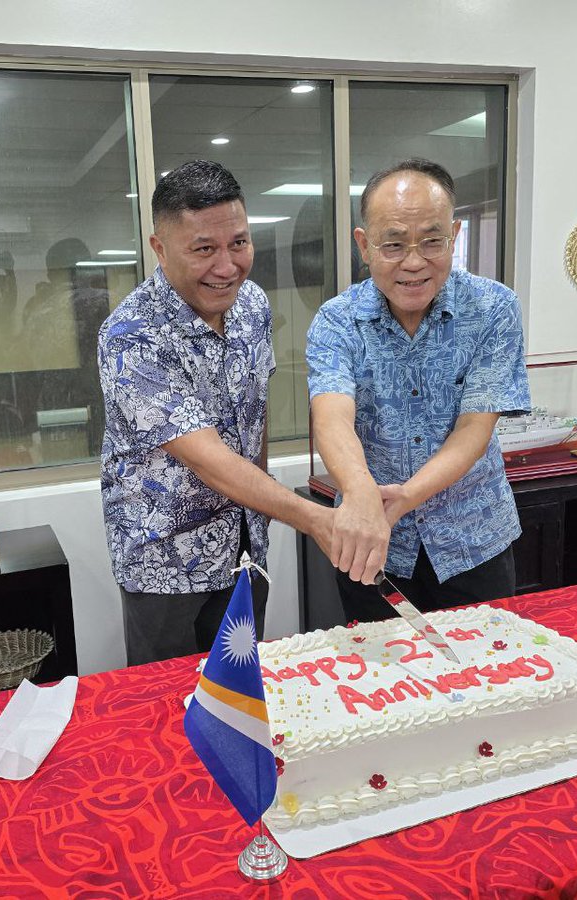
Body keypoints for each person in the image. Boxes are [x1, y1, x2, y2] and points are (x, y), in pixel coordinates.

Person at [99, 160, 334, 666]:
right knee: (170, 700)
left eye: (239, 243)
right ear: (160, 248)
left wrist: (263, 509)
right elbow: (207, 459)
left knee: (242, 690)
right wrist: (317, 521)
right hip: (165, 564)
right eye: (204, 249)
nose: (227, 267)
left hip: (245, 549)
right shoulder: (131, 335)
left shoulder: (252, 306)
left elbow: (256, 411)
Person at [306, 158, 529, 622]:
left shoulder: (493, 308)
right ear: (364, 245)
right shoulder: (337, 321)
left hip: (474, 542)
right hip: (372, 544)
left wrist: (405, 496)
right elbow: (332, 417)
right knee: (383, 666)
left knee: (487, 663)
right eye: (393, 244)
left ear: (455, 235)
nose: (413, 262)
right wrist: (361, 494)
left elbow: (474, 428)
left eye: (432, 241)